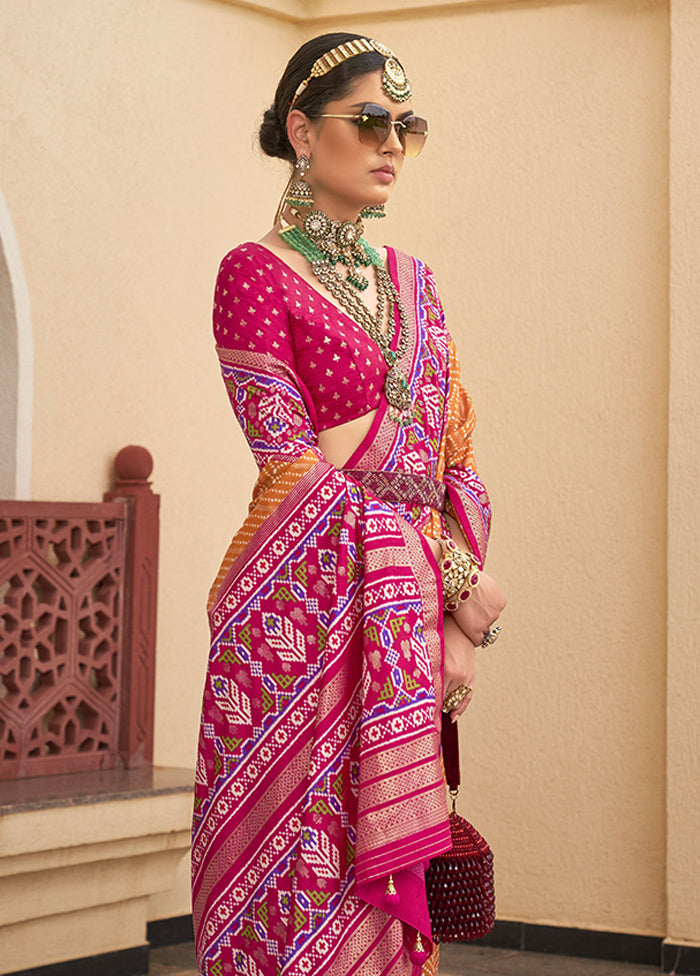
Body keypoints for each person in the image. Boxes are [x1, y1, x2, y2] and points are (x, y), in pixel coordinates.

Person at [191, 32, 506, 976]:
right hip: (304, 624)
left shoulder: (418, 284)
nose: (391, 146)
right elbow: (293, 468)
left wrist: (451, 613)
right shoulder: (253, 273)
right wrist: (450, 573)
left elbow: (453, 455)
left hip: (398, 626)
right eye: (369, 121)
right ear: (301, 130)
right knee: (295, 894)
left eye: (407, 127)